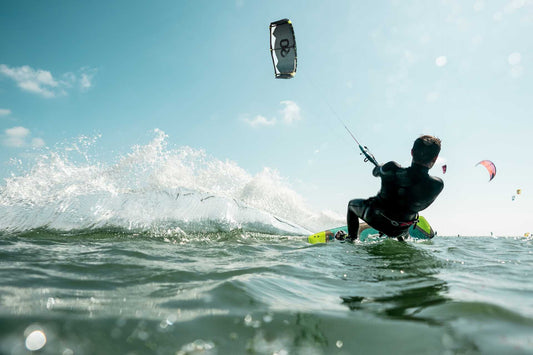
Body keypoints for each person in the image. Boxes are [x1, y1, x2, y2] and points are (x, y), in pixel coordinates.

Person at [346, 135, 444, 241]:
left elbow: (375, 172)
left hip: (377, 219)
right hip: (401, 229)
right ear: (435, 158)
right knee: (404, 211)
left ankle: (351, 239)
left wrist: (381, 167)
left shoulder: (392, 168)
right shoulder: (437, 185)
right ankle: (401, 238)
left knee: (352, 204)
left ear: (412, 152)